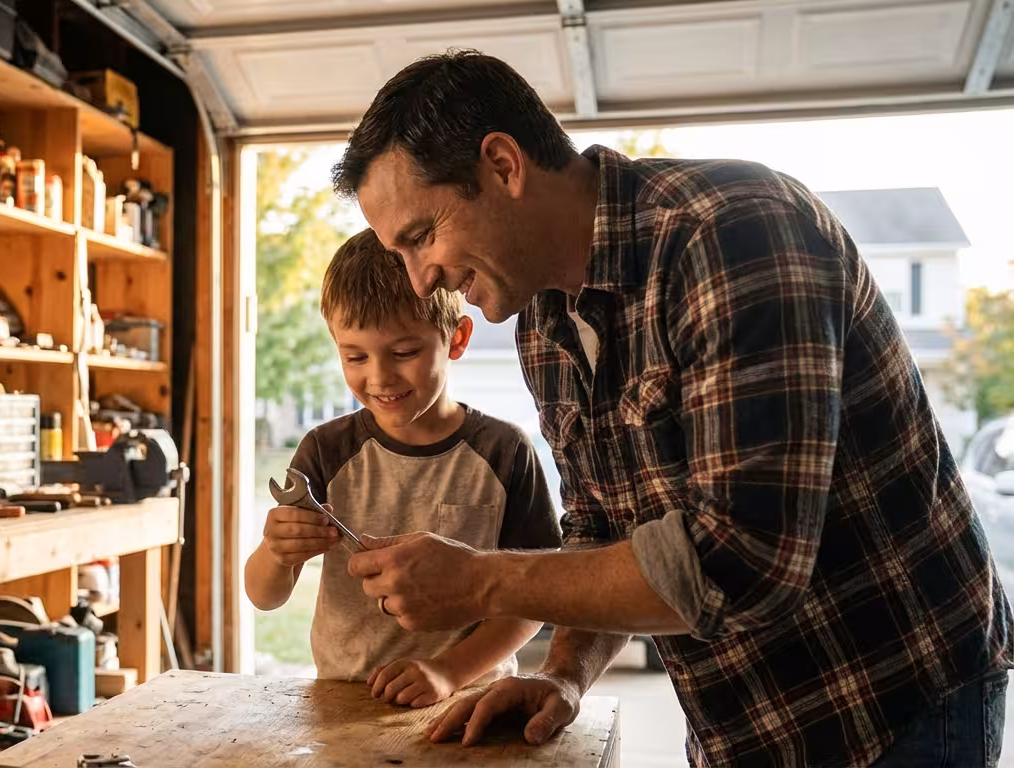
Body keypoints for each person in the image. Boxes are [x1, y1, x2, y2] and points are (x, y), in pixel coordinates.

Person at [331, 49, 1014, 767]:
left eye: (421, 237)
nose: (421, 276)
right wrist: (563, 675)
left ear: (503, 165)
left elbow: (742, 557)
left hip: (892, 704)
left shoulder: (735, 231)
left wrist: (478, 579)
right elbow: (602, 532)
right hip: (744, 723)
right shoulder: (545, 321)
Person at [244, 228, 562, 708]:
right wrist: (276, 552)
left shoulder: (506, 453)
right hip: (341, 704)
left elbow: (534, 601)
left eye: (405, 352)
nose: (379, 377)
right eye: (355, 356)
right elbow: (264, 596)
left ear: (456, 339)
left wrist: (447, 672)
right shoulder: (324, 451)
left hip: (466, 702)